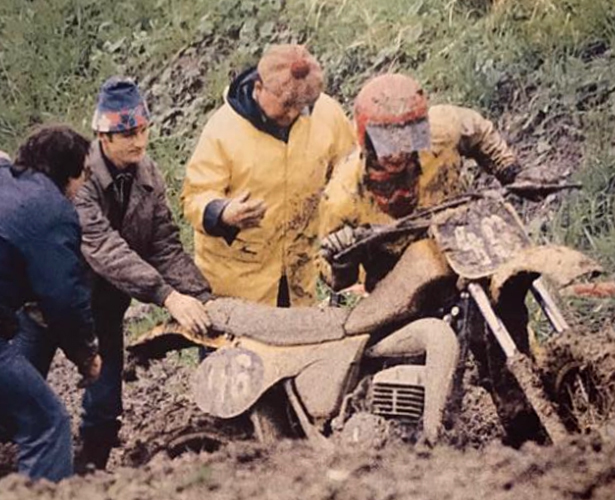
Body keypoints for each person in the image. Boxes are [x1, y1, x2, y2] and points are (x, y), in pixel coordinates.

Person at [318, 73, 534, 442]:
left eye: (410, 134)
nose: (400, 151)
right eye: (389, 139)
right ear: (366, 138)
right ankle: (414, 442)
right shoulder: (342, 193)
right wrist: (339, 257)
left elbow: (477, 130)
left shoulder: (444, 131)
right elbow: (332, 275)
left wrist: (511, 171)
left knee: (504, 327)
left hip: (459, 253)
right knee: (409, 381)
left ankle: (529, 428)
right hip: (398, 285)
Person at [14, 77, 213, 471]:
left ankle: (91, 477)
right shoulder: (76, 174)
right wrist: (167, 297)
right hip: (45, 307)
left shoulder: (148, 176)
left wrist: (201, 296)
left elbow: (163, 245)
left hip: (102, 311)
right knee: (14, 401)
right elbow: (102, 247)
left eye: (142, 130)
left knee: (105, 409)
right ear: (103, 136)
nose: (138, 141)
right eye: (126, 134)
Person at [182, 44, 357, 307]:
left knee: (292, 343)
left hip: (298, 273)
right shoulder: (223, 130)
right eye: (285, 106)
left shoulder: (327, 115)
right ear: (258, 87)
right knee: (236, 348)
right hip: (236, 280)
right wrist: (223, 213)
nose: (292, 114)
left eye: (302, 107)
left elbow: (349, 173)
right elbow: (194, 198)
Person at [0, 129, 101, 482]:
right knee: (47, 424)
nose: (83, 186)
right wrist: (86, 356)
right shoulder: (52, 211)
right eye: (84, 175)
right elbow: (62, 299)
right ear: (67, 173)